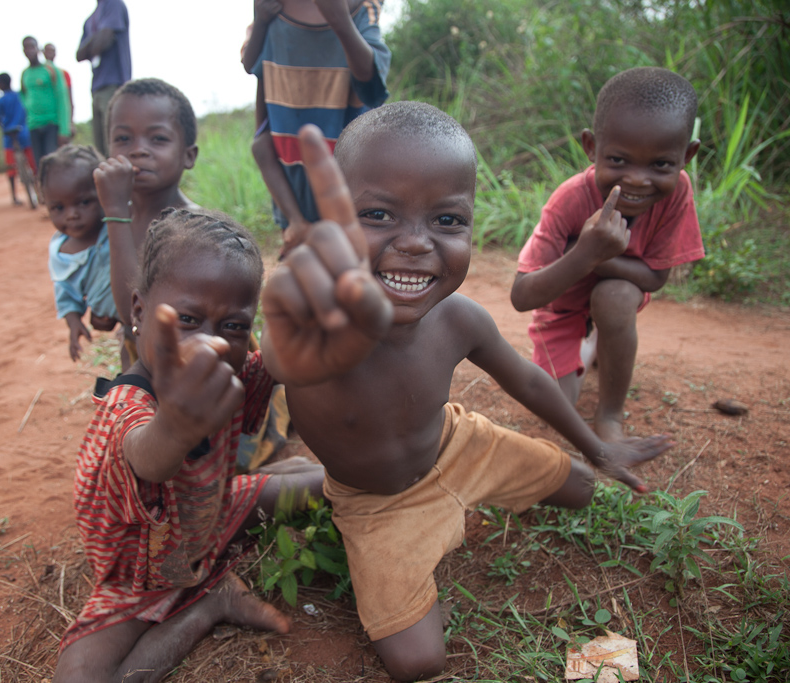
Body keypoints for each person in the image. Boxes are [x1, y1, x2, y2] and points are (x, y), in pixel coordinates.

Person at [260, 104, 674, 681]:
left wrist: (597, 445)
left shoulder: (458, 318)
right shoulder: (318, 322)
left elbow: (526, 379)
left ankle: (306, 480)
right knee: (419, 661)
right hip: (377, 504)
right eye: (377, 214)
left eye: (447, 221)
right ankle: (303, 484)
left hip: (460, 446)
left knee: (581, 487)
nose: (415, 244)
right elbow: (281, 359)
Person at [52, 207, 325, 683]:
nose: (210, 344)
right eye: (188, 319)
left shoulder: (232, 372)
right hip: (143, 572)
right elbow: (149, 456)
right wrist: (177, 425)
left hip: (210, 517)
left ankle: (273, 486)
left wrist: (297, 316)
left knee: (327, 484)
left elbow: (279, 366)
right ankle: (208, 605)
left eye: (234, 326)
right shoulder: (127, 405)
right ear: (138, 311)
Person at [510, 67, 703, 443]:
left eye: (660, 164)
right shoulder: (569, 200)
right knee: (559, 410)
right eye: (618, 160)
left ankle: (610, 416)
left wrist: (596, 255)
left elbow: (654, 278)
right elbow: (522, 296)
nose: (636, 179)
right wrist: (583, 253)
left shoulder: (677, 193)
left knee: (614, 296)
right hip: (561, 307)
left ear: (687, 156)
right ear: (591, 147)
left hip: (614, 293)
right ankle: (590, 341)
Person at [243, 0, 390, 252]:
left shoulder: (363, 7)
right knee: (302, 258)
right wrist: (261, 20)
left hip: (345, 147)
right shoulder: (273, 7)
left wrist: (340, 21)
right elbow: (250, 64)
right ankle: (297, 224)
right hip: (288, 153)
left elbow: (371, 76)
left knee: (348, 252)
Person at [92, 78, 198, 367]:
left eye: (158, 139)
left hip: (181, 371)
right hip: (138, 366)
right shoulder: (121, 216)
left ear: (189, 155)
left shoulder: (189, 226)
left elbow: (131, 311)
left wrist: (114, 211)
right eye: (123, 139)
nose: (138, 150)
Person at [37, 144, 118, 362]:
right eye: (58, 208)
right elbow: (66, 295)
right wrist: (75, 324)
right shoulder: (62, 254)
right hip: (115, 320)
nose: (72, 215)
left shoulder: (117, 225)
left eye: (83, 202)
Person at [77, 0, 131, 157]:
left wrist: (92, 44)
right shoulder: (90, 19)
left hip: (115, 84)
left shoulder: (113, 4)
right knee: (101, 150)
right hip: (96, 87)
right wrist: (97, 38)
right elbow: (79, 55)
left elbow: (104, 40)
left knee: (117, 146)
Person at [21, 36, 72, 165]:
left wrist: (64, 130)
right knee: (40, 166)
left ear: (38, 49)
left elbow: (63, 99)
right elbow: (24, 97)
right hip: (33, 125)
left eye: (32, 47)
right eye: (26, 47)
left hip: (51, 124)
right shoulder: (25, 74)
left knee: (53, 163)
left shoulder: (51, 70)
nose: (29, 50)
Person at [0, 72, 36, 206]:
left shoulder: (1, 99)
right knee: (33, 164)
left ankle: (14, 196)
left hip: (9, 137)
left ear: (1, 84)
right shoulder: (20, 96)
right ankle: (40, 191)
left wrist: (2, 124)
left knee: (11, 168)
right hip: (24, 134)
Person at [44, 43, 75, 131]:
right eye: (47, 50)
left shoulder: (64, 74)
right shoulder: (39, 74)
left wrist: (70, 123)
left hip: (61, 121)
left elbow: (69, 100)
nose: (50, 53)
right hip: (44, 121)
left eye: (52, 51)